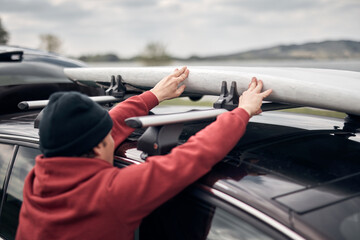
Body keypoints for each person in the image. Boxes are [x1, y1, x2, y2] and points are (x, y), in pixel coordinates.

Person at [16, 66, 272, 240]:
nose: (112, 136)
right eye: (106, 137)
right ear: (96, 146)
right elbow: (194, 155)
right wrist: (242, 112)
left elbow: (109, 127)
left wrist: (152, 96)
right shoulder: (111, 194)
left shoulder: (39, 177)